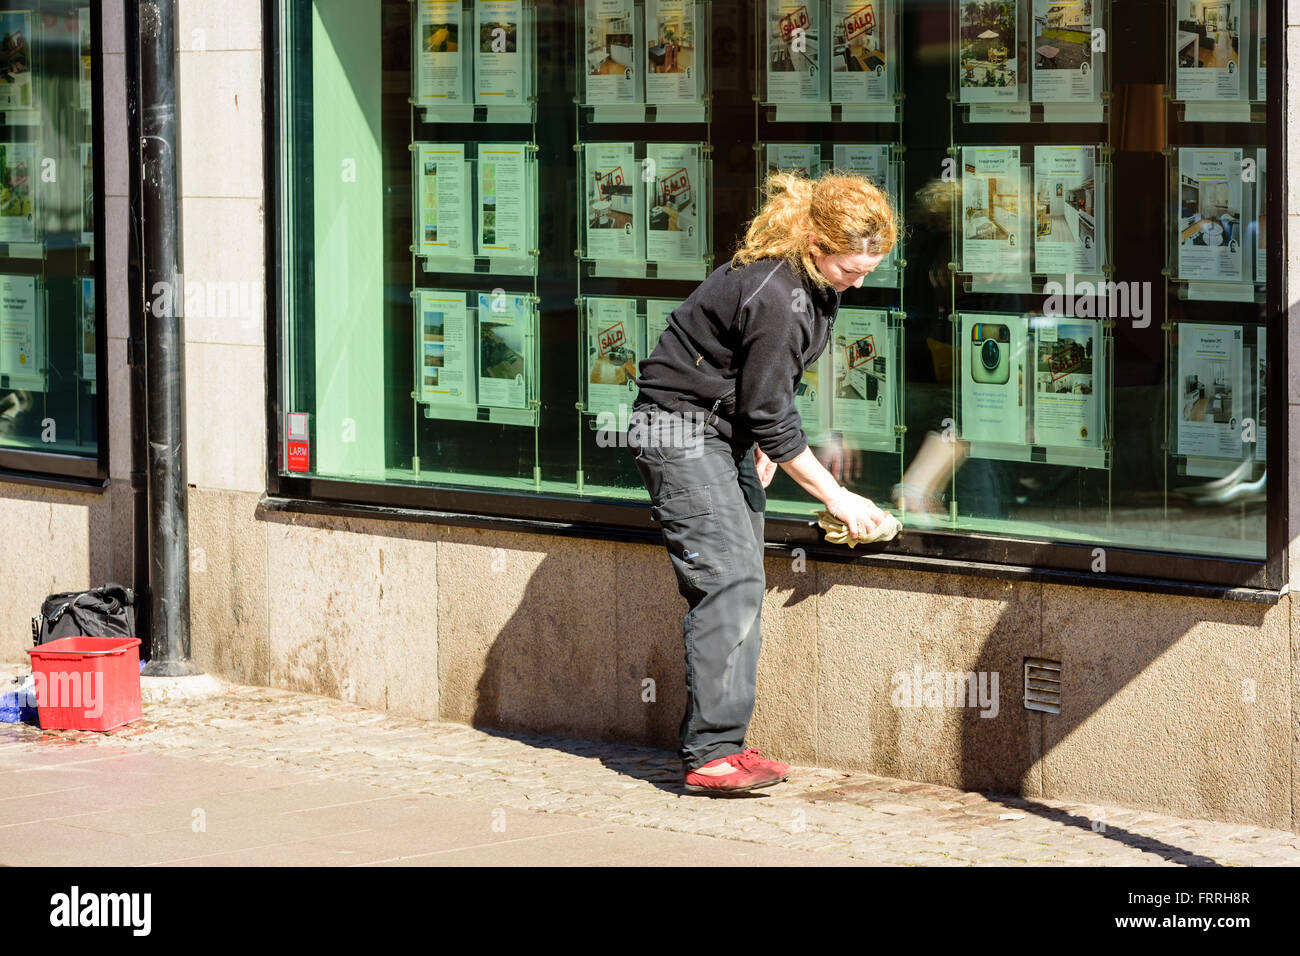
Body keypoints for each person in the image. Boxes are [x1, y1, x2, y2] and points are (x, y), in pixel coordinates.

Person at [626, 171, 899, 794]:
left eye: (869, 270)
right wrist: (837, 495)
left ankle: (725, 743)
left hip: (718, 432)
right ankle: (710, 754)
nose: (858, 283)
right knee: (731, 580)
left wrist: (754, 439)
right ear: (815, 244)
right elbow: (769, 407)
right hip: (679, 433)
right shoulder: (781, 295)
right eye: (849, 270)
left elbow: (760, 392)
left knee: (741, 580)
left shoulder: (808, 284)